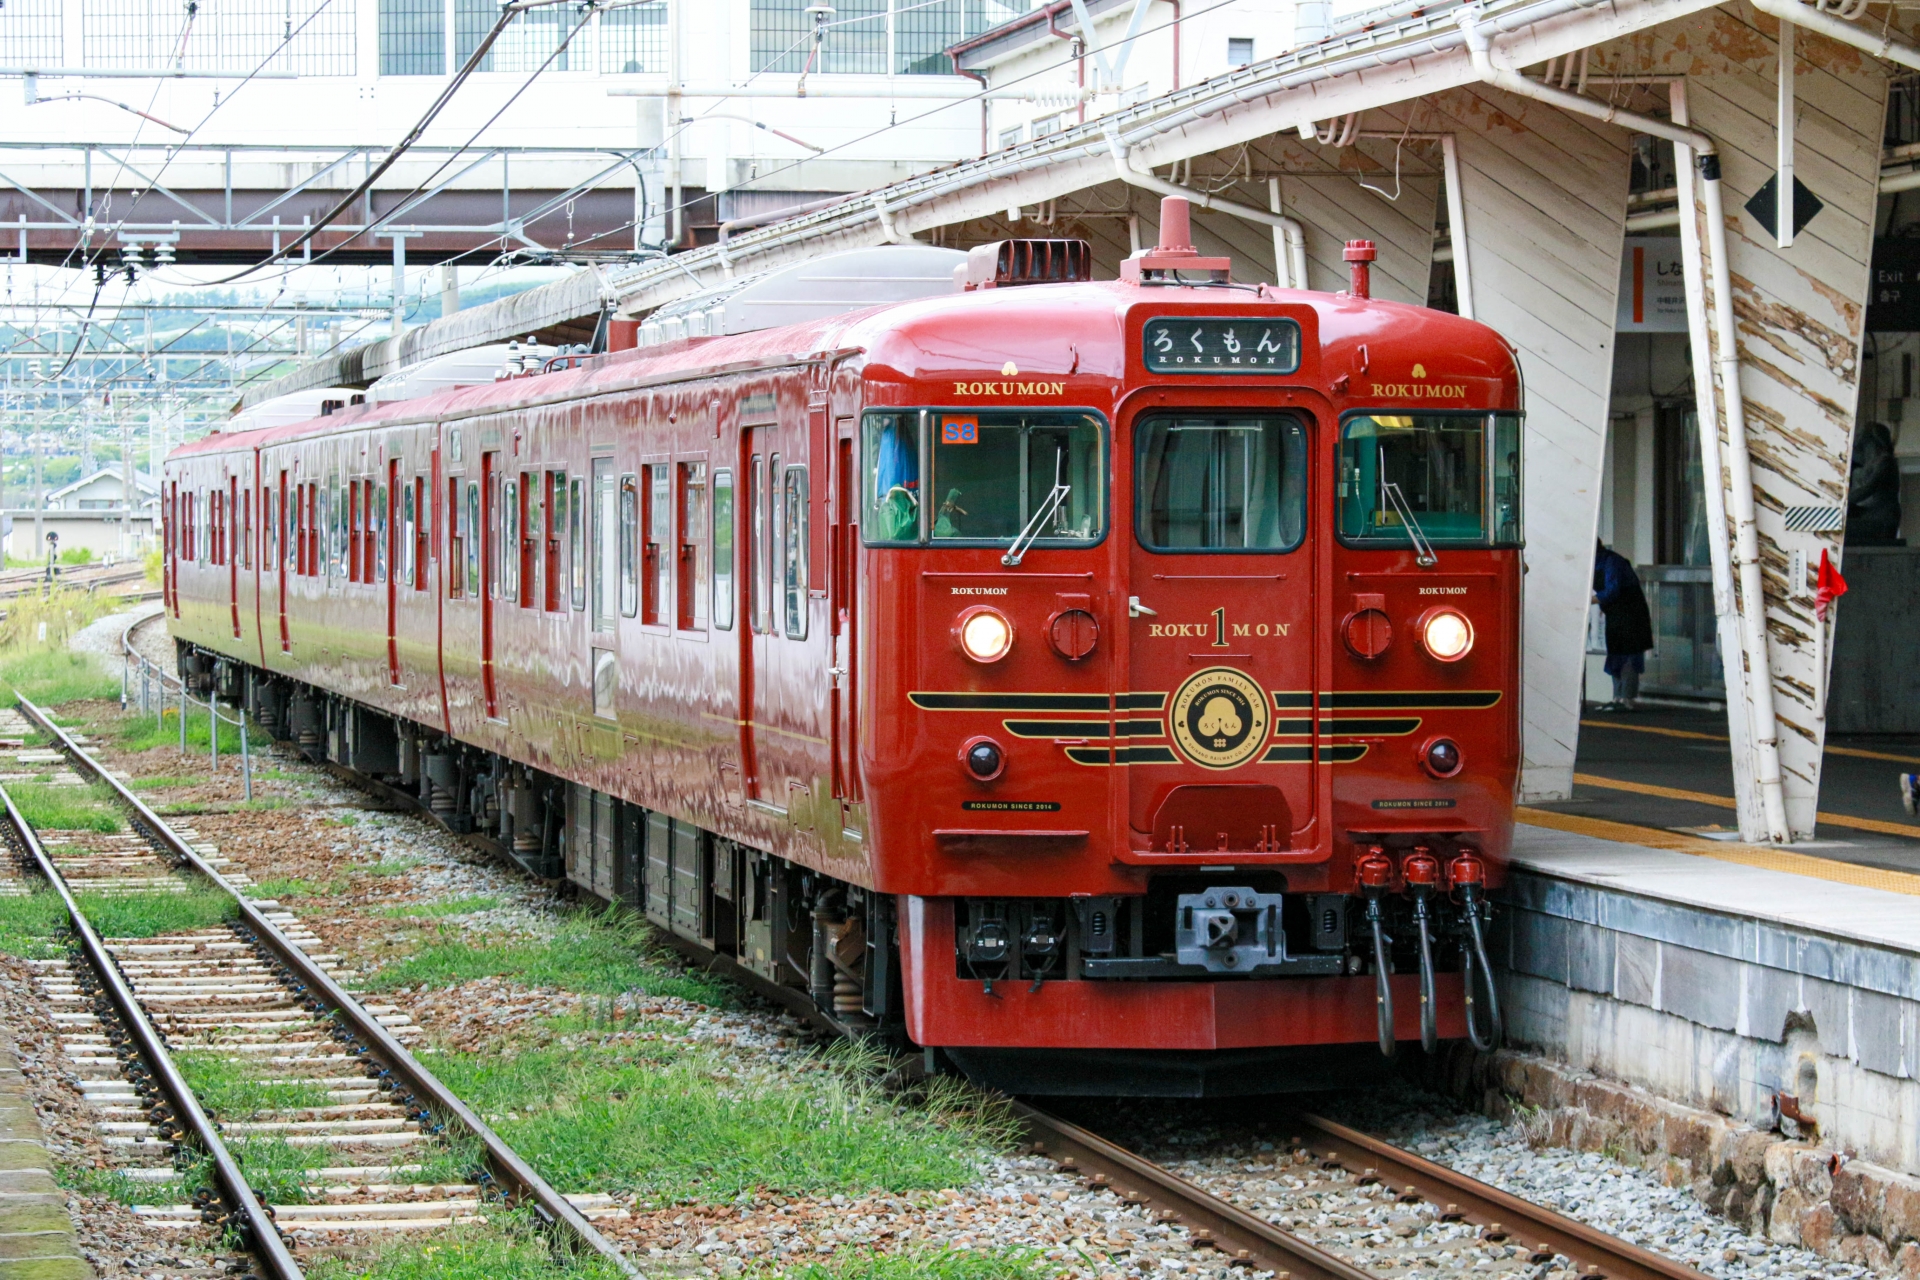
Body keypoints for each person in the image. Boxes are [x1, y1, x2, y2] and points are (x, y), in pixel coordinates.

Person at [1593, 540, 1653, 711]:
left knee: (1629, 654)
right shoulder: (1599, 561)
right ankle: (1617, 697)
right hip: (1615, 612)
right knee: (1615, 652)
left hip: (1631, 612)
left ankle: (1626, 699)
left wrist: (1592, 600)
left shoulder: (1612, 561)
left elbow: (1613, 590)